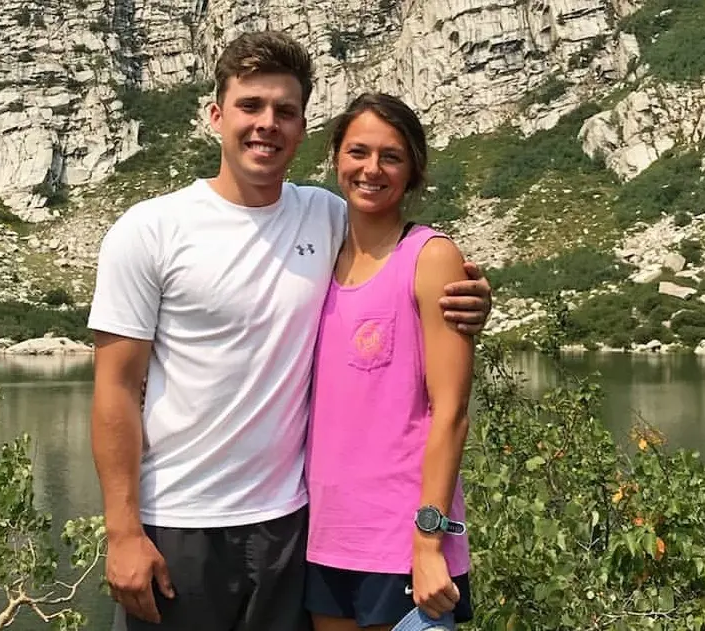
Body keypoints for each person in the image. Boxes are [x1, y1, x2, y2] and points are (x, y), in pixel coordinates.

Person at [87, 31, 491, 631]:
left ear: (303, 129)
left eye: (285, 111)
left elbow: (403, 267)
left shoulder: (327, 217)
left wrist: (470, 300)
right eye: (250, 106)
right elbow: (116, 388)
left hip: (291, 529)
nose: (266, 124)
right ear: (216, 114)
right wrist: (122, 531)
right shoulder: (149, 230)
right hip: (180, 524)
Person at [303, 93, 474, 631]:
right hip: (326, 540)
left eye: (391, 156)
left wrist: (429, 542)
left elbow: (451, 411)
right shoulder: (320, 256)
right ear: (335, 158)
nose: (371, 169)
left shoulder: (429, 256)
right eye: (358, 151)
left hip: (401, 544)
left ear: (414, 169)